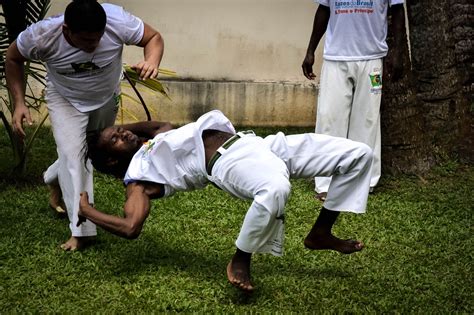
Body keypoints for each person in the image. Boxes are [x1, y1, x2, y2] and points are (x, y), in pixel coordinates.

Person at [79, 110, 373, 293]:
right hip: (227, 162)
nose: (124, 132)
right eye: (116, 139)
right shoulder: (138, 181)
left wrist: (119, 131)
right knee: (274, 189)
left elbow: (162, 125)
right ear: (111, 159)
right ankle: (241, 258)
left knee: (358, 154)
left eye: (119, 130)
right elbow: (131, 226)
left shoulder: (152, 142)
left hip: (256, 142)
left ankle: (320, 232)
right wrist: (87, 210)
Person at [6, 0, 165, 250]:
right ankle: (81, 231)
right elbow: (13, 58)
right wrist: (19, 103)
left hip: (105, 96)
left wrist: (152, 61)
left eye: (98, 39)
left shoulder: (117, 20)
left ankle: (53, 178)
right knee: (75, 157)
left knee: (89, 153)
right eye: (87, 41)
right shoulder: (42, 35)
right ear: (67, 30)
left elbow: (153, 37)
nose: (94, 46)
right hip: (65, 98)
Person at [302, 0, 406, 201]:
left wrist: (398, 52)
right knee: (329, 120)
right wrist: (310, 51)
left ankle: (363, 182)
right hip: (335, 57)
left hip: (372, 57)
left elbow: (398, 10)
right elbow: (324, 9)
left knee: (367, 121)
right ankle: (325, 183)